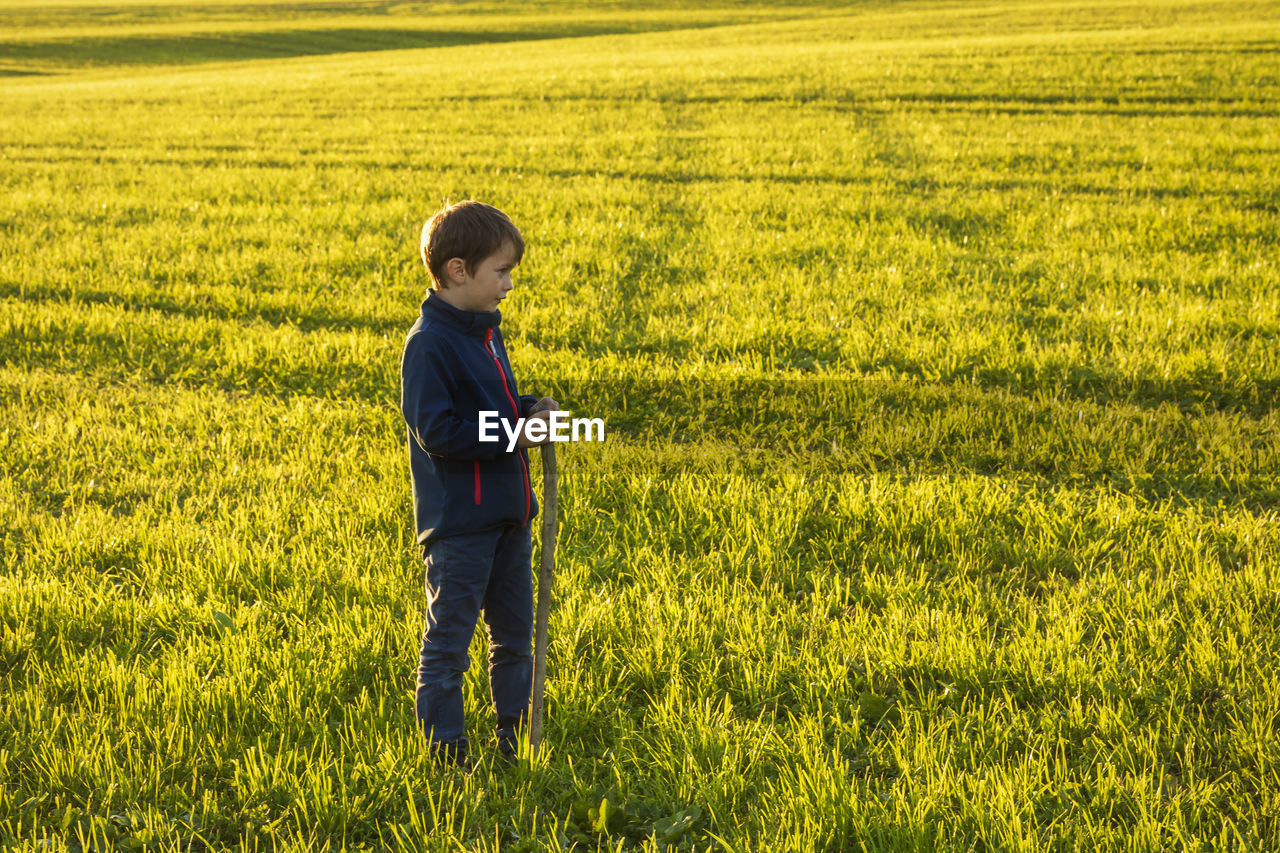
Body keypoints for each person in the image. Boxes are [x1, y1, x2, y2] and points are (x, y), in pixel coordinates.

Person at [399, 200, 557, 768]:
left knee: (514, 639)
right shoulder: (428, 345)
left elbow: (495, 409)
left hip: (509, 519)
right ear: (458, 271)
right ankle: (447, 757)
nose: (509, 285)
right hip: (461, 527)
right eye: (501, 271)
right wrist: (516, 433)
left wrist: (528, 410)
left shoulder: (487, 335)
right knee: (449, 647)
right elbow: (439, 431)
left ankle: (517, 744)